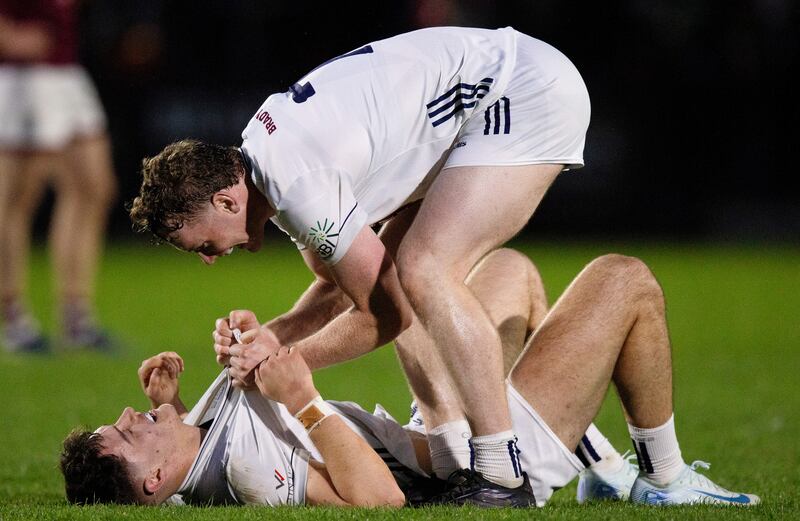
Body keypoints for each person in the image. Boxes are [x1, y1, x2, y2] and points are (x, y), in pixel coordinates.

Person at [129, 26, 590, 502]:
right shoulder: (266, 158)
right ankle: (554, 451)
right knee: (393, 269)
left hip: (520, 89)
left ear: (226, 202)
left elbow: (388, 315)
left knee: (424, 269)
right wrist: (275, 336)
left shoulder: (297, 187)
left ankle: (501, 474)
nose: (208, 258)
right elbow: (345, 287)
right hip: (496, 89)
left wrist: (285, 367)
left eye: (201, 243)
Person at [60, 253, 759, 507]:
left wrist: (171, 408)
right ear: (150, 479)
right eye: (125, 433)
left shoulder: (187, 465)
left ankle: (601, 466)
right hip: (469, 470)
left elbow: (183, 477)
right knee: (623, 280)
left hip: (434, 430)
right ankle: (663, 479)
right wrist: (303, 400)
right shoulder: (244, 473)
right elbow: (379, 499)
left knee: (509, 270)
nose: (126, 412)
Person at [0, 0, 117, 352]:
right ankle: (14, 318)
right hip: (25, 75)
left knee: (94, 188)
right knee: (18, 199)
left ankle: (76, 317)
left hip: (65, 70)